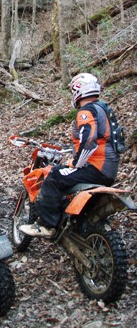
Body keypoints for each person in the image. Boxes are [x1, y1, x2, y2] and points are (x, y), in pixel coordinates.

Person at [20, 73, 119, 239]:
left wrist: (77, 163)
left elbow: (89, 141)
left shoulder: (86, 111)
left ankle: (47, 226)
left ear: (79, 90)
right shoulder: (102, 107)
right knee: (64, 172)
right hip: (108, 168)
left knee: (54, 176)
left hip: (96, 168)